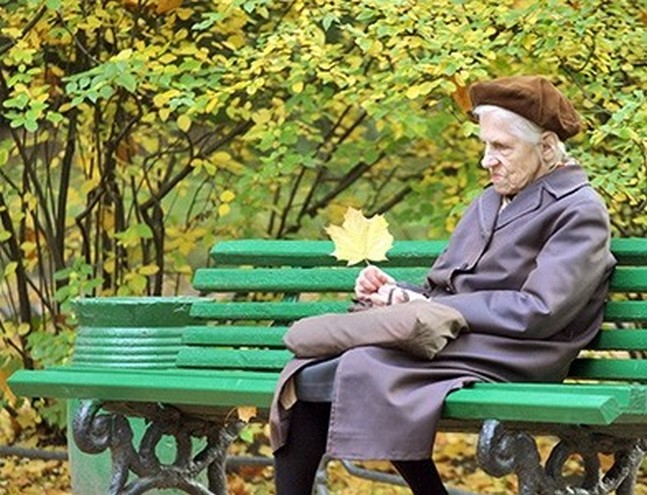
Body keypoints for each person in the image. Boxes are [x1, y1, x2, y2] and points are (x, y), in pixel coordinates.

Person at [269, 75, 616, 494]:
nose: (487, 161)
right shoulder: (490, 200)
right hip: (465, 338)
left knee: (364, 365)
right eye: (485, 146)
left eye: (502, 147)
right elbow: (445, 286)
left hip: (520, 351)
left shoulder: (579, 210)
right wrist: (399, 293)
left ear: (545, 148)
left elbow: (539, 310)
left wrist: (435, 310)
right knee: (308, 372)